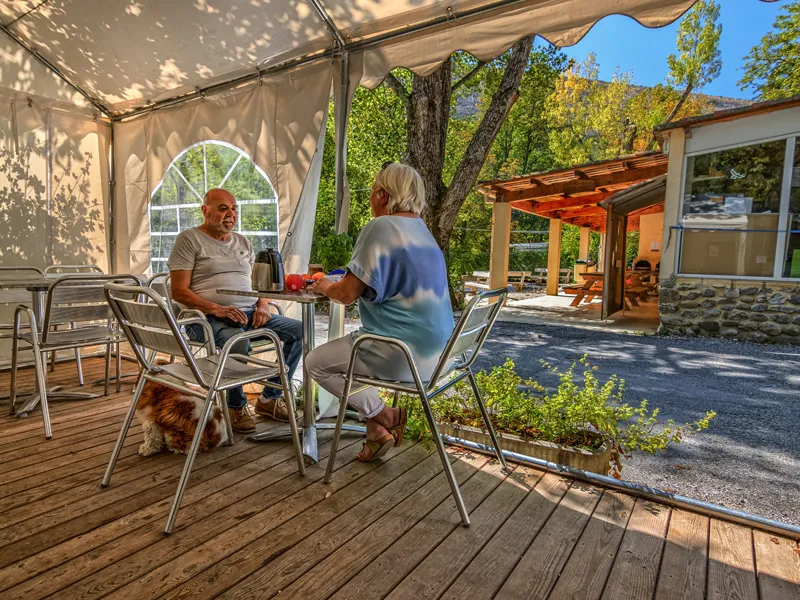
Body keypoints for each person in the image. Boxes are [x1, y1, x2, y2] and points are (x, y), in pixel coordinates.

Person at [306, 162, 454, 462]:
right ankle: (375, 431)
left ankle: (386, 415)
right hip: (440, 355)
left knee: (316, 363)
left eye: (373, 190)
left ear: (383, 195)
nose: (371, 197)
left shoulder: (381, 227)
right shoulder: (423, 232)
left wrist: (322, 286)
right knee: (354, 355)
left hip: (400, 355)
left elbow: (346, 295)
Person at [168, 188, 302, 433]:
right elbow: (179, 292)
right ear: (205, 211)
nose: (231, 214)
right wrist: (217, 309)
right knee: (238, 343)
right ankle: (236, 405)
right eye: (223, 209)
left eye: (234, 209)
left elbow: (258, 282)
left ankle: (270, 398)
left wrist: (263, 305)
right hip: (205, 319)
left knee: (300, 330)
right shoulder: (189, 240)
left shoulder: (242, 241)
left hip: (248, 314)